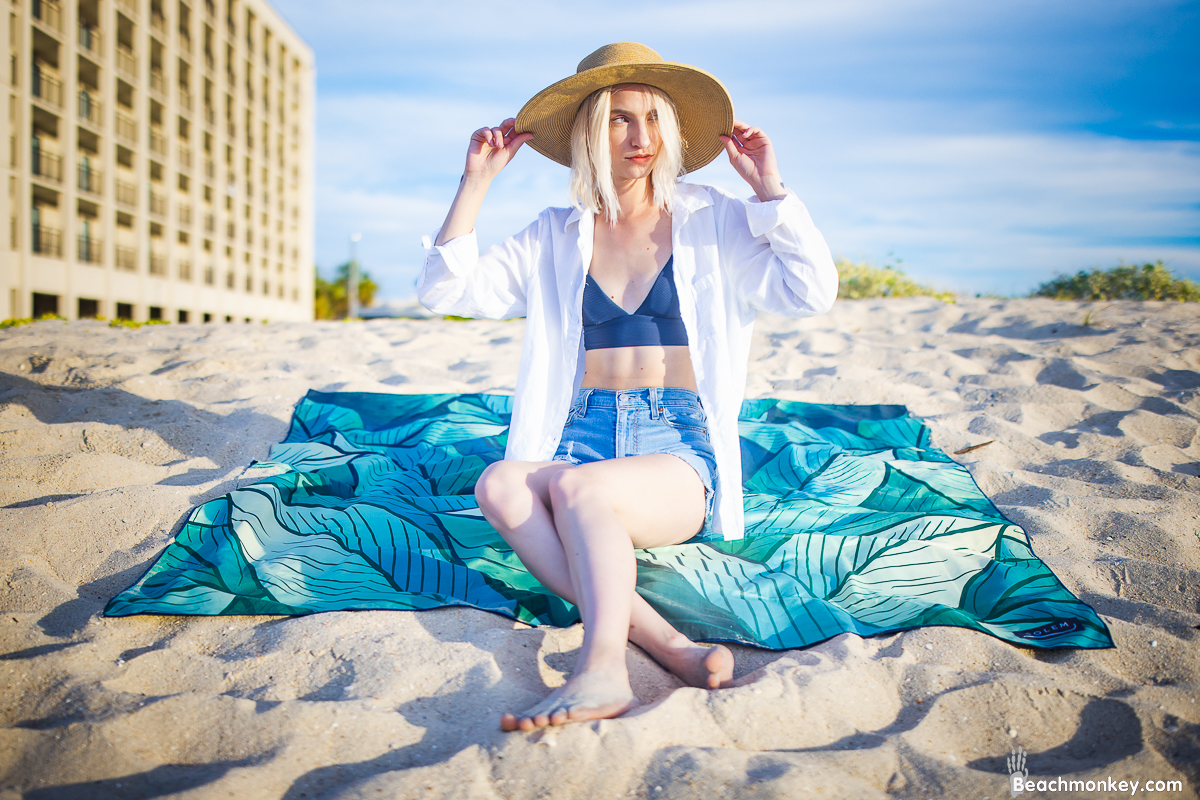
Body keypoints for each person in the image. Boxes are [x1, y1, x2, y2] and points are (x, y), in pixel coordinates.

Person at [419, 42, 837, 732]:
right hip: (580, 430)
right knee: (498, 483)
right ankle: (670, 647)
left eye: (650, 118)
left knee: (582, 492)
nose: (639, 137)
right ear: (589, 131)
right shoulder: (557, 233)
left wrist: (769, 188)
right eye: (618, 118)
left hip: (675, 439)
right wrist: (475, 185)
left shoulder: (714, 216)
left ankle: (601, 668)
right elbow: (443, 293)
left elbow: (810, 291)